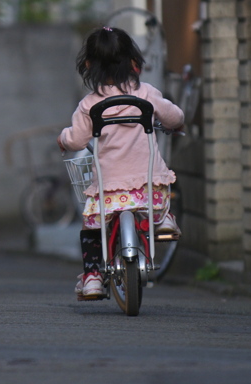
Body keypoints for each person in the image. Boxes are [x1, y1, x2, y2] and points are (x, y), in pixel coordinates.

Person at [57, 25, 184, 301]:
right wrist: (174, 120)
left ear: (88, 65)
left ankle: (92, 277)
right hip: (149, 188)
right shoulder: (147, 94)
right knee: (157, 198)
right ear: (133, 62)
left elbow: (77, 140)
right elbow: (175, 118)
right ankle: (162, 219)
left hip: (108, 190)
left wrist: (63, 138)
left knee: (92, 226)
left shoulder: (89, 105)